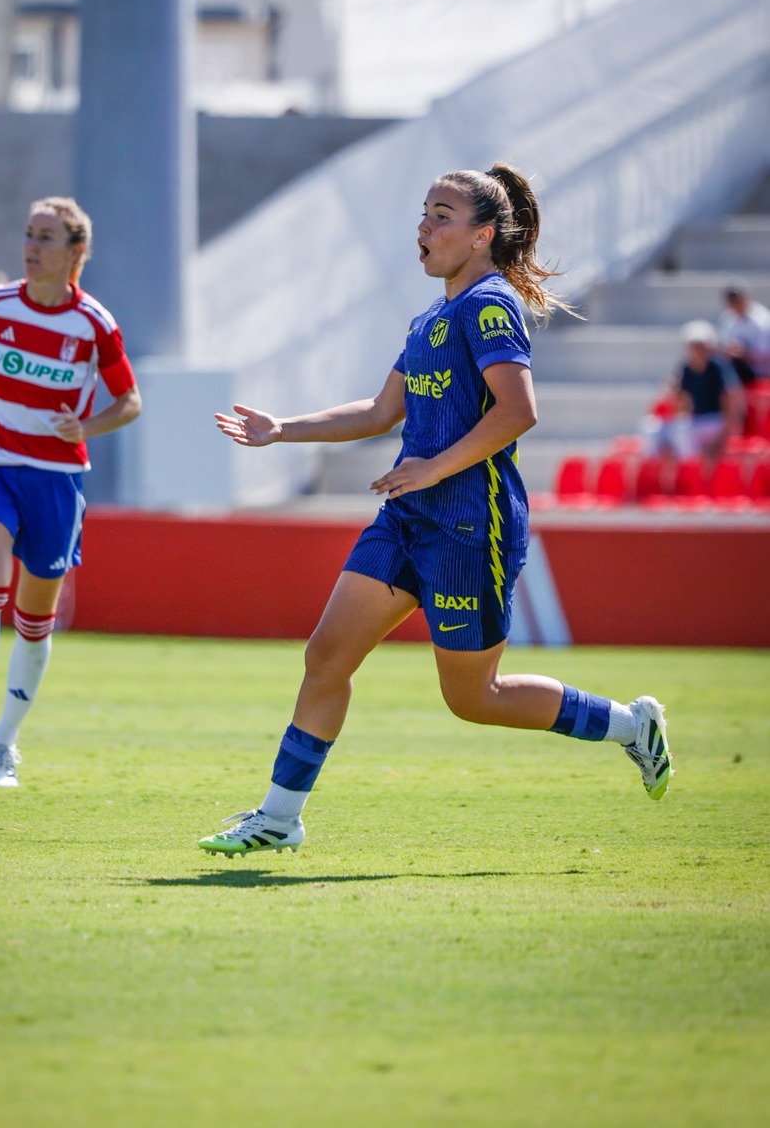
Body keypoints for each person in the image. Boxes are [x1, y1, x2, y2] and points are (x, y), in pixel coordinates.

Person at [199, 163, 674, 857]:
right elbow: (379, 411)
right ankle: (279, 817)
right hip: (408, 518)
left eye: (442, 214)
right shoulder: (430, 318)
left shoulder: (490, 306)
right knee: (327, 656)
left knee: (474, 697)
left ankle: (631, 726)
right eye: (424, 211)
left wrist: (431, 466)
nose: (424, 225)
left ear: (483, 235)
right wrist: (283, 428)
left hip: (468, 526)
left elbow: (518, 412)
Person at [0, 196, 141, 787]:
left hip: (57, 478)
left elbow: (130, 401)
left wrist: (86, 426)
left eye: (46, 237)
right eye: (28, 234)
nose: (32, 247)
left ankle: (4, 744)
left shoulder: (94, 323)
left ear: (76, 251)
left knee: (34, 618)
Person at [641, 320, 743, 461]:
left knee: (683, 430)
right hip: (695, 420)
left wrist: (728, 430)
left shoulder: (718, 368)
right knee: (651, 427)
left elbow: (729, 398)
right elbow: (680, 397)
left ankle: (692, 469)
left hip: (714, 419)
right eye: (693, 346)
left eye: (699, 346)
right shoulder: (686, 368)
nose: (696, 350)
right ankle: (653, 473)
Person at [716, 280, 770, 383]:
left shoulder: (763, 321)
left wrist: (743, 353)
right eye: (732, 301)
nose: (735, 304)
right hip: (735, 368)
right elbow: (722, 347)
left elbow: (765, 354)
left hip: (759, 372)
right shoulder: (727, 318)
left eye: (737, 300)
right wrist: (730, 350)